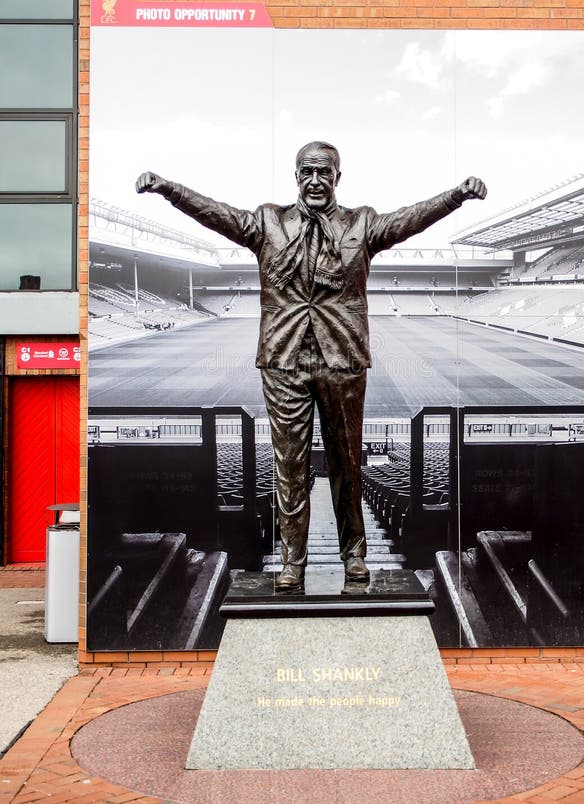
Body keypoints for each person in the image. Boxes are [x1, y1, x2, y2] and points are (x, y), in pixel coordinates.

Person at [136, 142, 486, 590]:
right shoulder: (267, 221)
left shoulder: (362, 222)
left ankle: (354, 556)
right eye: (307, 172)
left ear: (338, 176)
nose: (315, 180)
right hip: (284, 360)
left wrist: (455, 196)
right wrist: (170, 190)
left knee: (348, 464)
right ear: (295, 176)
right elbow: (217, 213)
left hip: (342, 358)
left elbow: (409, 219)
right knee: (289, 466)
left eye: (324, 172)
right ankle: (292, 563)